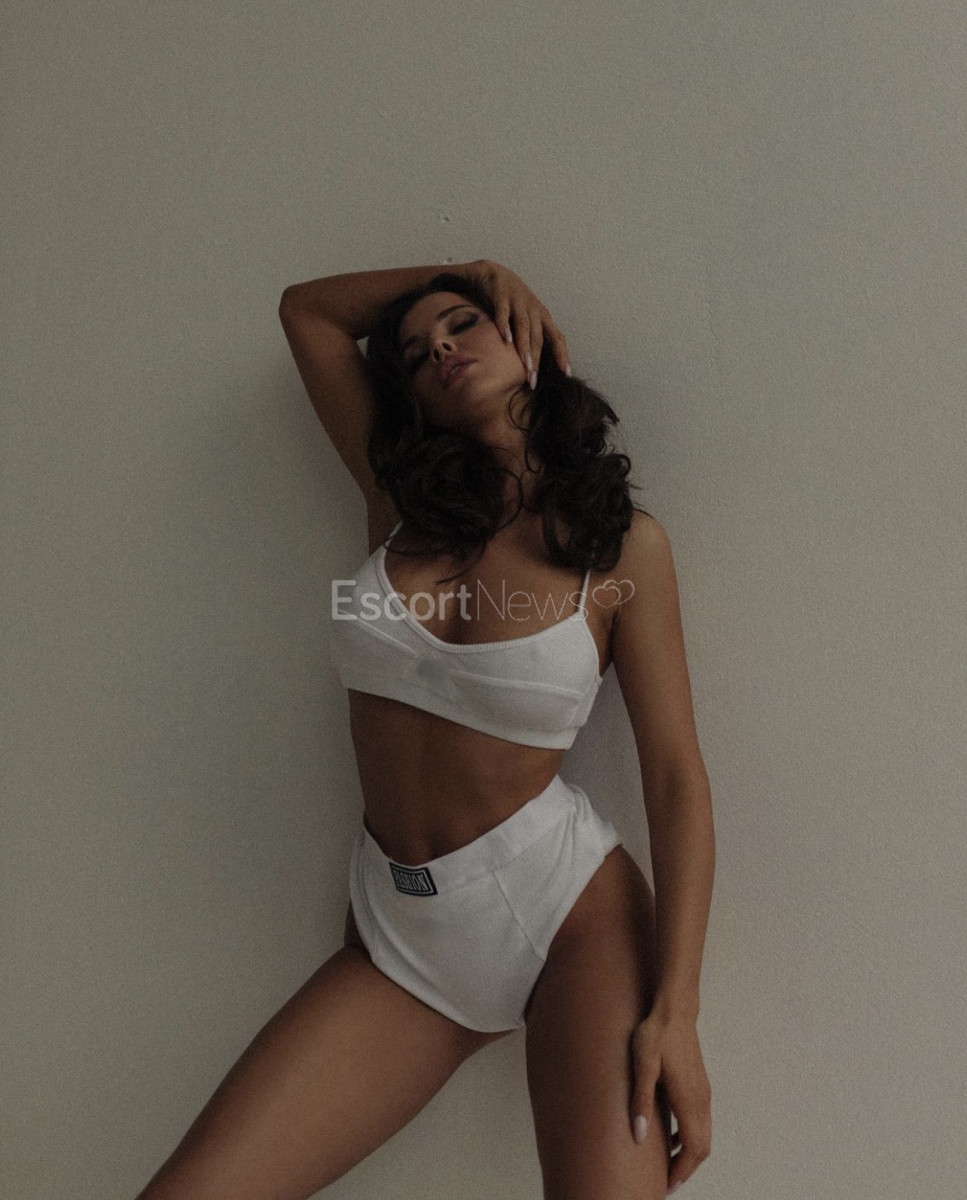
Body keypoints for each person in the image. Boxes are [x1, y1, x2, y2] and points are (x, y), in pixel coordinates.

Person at [134, 259, 715, 1200]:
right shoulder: (396, 504)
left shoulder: (618, 549)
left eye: (463, 324)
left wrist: (676, 1014)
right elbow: (308, 313)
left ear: (528, 343)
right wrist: (475, 269)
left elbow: (677, 779)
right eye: (413, 354)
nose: (438, 348)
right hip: (401, 936)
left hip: (571, 919)